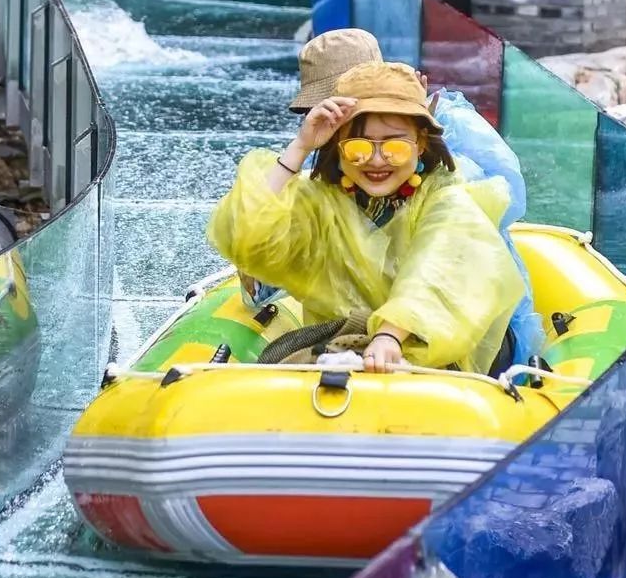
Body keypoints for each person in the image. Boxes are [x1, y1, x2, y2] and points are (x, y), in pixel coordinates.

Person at [209, 61, 527, 375]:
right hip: (345, 349)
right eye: (358, 147)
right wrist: (301, 146)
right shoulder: (319, 201)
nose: (376, 161)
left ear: (420, 143)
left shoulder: (449, 198)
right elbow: (244, 238)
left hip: (436, 355)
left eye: (395, 147)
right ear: (337, 144)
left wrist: (390, 334)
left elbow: (437, 268)